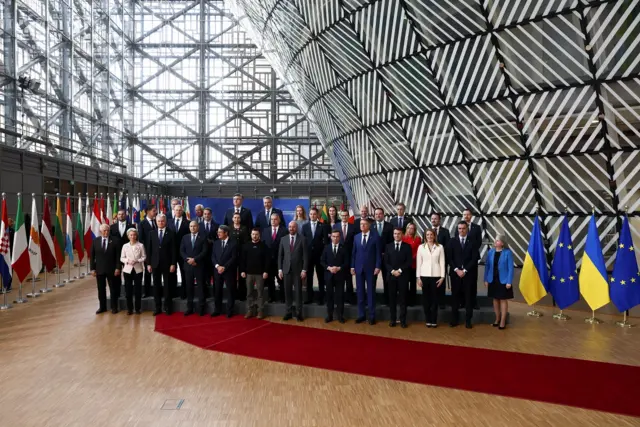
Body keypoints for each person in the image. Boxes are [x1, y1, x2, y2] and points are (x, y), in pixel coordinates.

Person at [447, 221, 480, 329]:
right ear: (457, 229)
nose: (461, 230)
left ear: (467, 229)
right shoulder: (452, 241)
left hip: (468, 274)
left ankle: (468, 321)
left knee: (468, 297)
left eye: (463, 228)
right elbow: (449, 258)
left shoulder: (473, 242)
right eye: (460, 228)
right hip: (455, 274)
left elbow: (474, 258)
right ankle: (454, 320)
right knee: (455, 297)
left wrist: (464, 270)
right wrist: (457, 270)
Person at [351, 218, 381, 325]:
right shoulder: (356, 237)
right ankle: (361, 315)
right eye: (361, 224)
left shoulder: (375, 237)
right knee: (360, 292)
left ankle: (372, 316)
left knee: (371, 292)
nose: (362, 226)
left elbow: (378, 253)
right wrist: (352, 266)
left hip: (371, 269)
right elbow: (354, 253)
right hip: (359, 268)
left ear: (369, 225)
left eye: (364, 224)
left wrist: (378, 266)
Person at [146, 214, 177, 316]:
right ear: (156, 222)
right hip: (155, 264)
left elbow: (174, 250)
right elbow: (149, 250)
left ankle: (167, 307)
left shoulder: (171, 233)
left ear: (166, 222)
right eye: (158, 221)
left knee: (167, 286)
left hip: (167, 264)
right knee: (156, 286)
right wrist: (148, 264)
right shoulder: (151, 233)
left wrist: (173, 263)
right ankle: (157, 307)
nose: (160, 223)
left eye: (162, 221)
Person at [278, 221, 308, 321]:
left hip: (298, 271)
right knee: (287, 292)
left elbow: (305, 256)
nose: (291, 228)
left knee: (298, 293)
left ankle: (299, 313)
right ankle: (288, 312)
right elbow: (280, 256)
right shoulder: (283, 239)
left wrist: (304, 269)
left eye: (293, 227)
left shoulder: (302, 239)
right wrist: (280, 269)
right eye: (290, 227)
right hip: (286, 270)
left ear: (297, 228)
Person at [453, 208, 483, 309]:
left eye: (468, 214)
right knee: (461, 282)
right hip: (460, 260)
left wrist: (470, 251)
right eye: (464, 214)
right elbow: (456, 241)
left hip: (472, 258)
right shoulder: (458, 226)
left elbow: (479, 242)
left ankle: (473, 302)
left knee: (472, 281)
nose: (466, 216)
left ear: (471, 216)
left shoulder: (477, 227)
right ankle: (462, 302)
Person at [416, 229, 446, 328]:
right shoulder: (421, 247)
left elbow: (442, 262)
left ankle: (434, 320)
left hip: (436, 276)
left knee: (435, 299)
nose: (429, 236)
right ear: (425, 236)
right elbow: (419, 263)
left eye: (431, 234)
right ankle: (428, 320)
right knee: (426, 300)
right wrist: (418, 277)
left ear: (434, 236)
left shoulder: (440, 247)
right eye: (427, 234)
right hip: (424, 276)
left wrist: (442, 277)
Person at [484, 235, 514, 330]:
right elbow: (487, 267)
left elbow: (510, 269)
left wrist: (509, 281)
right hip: (492, 279)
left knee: (503, 300)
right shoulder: (490, 252)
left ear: (502, 243)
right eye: (495, 240)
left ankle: (503, 321)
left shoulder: (507, 253)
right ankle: (497, 319)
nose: (495, 241)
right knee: (495, 299)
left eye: (497, 240)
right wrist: (486, 279)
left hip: (504, 281)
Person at [384, 228, 412, 328]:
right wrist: (392, 271)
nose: (396, 235)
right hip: (391, 277)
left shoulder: (407, 247)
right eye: (395, 233)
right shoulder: (388, 246)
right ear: (393, 234)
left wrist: (399, 271)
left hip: (403, 276)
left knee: (403, 300)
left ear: (402, 235)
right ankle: (392, 319)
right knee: (392, 300)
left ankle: (403, 320)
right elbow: (386, 262)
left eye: (399, 234)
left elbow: (409, 262)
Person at [90, 224, 121, 314]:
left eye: (107, 230)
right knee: (101, 289)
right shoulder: (95, 241)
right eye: (104, 230)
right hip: (99, 270)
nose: (106, 232)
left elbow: (118, 256)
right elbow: (92, 256)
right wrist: (92, 269)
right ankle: (102, 307)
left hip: (112, 270)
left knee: (113, 289)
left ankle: (114, 307)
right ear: (100, 232)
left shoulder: (115, 241)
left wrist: (118, 268)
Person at [180, 221, 209, 316]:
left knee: (200, 287)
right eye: (191, 226)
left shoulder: (203, 237)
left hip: (199, 265)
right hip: (188, 266)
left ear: (198, 227)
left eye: (194, 226)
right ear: (189, 227)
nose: (192, 228)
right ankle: (190, 308)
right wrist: (188, 259)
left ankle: (201, 308)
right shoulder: (185, 237)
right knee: (189, 287)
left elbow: (205, 251)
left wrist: (195, 259)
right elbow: (182, 251)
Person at [240, 228, 270, 319]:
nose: (254, 236)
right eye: (253, 234)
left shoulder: (264, 246)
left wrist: (266, 271)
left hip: (260, 274)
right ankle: (249, 310)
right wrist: (242, 271)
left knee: (260, 293)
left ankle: (260, 311)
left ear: (259, 235)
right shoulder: (246, 246)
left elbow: (267, 260)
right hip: (248, 273)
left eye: (256, 234)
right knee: (249, 293)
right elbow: (242, 260)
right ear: (251, 235)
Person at [321, 230, 349, 323]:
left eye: (337, 236)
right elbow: (322, 261)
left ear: (339, 237)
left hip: (340, 276)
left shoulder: (344, 248)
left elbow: (346, 262)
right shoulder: (326, 248)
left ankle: (340, 316)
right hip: (329, 276)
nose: (335, 238)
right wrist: (329, 268)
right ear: (331, 237)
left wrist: (339, 268)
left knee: (340, 296)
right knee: (329, 297)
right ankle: (330, 315)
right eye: (333, 236)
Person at [302, 207, 328, 304]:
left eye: (314, 214)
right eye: (311, 214)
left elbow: (325, 243)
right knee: (309, 278)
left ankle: (321, 298)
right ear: (309, 215)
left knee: (321, 277)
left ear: (317, 215)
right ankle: (309, 297)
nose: (312, 215)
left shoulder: (323, 226)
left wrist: (324, 256)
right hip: (308, 256)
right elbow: (303, 242)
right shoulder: (305, 226)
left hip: (319, 256)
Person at [211, 225, 238, 318]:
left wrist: (224, 267)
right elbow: (213, 256)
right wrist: (218, 266)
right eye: (218, 232)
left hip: (229, 271)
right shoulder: (216, 243)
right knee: (217, 291)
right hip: (217, 271)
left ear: (226, 233)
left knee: (230, 291)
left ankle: (230, 310)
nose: (218, 234)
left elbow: (234, 257)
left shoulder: (233, 243)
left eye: (220, 232)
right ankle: (217, 310)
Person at [261, 213, 287, 302]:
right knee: (270, 280)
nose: (273, 221)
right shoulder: (265, 230)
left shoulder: (284, 231)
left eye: (275, 219)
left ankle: (283, 298)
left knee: (281, 280)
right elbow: (263, 245)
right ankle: (271, 297)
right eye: (271, 219)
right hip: (269, 261)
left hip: (280, 260)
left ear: (279, 220)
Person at [120, 228, 146, 315]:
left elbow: (144, 257)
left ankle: (138, 308)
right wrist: (127, 261)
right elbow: (121, 258)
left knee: (138, 290)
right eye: (131, 235)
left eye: (134, 235)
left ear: (136, 235)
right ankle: (129, 309)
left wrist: (138, 260)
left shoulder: (141, 245)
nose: (133, 236)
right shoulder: (125, 246)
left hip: (138, 269)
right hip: (127, 270)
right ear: (128, 236)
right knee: (128, 290)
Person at [333, 210, 356, 304]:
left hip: (350, 255)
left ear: (348, 216)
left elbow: (354, 242)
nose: (344, 217)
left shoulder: (353, 227)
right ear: (341, 216)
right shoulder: (336, 226)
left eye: (346, 215)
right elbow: (333, 240)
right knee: (339, 278)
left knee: (349, 278)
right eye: (343, 215)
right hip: (339, 255)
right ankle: (339, 298)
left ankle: (350, 298)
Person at [110, 209, 133, 295]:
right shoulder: (112, 227)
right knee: (116, 274)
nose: (121, 216)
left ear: (125, 215)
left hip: (128, 255)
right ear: (117, 216)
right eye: (119, 214)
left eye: (123, 214)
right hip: (116, 254)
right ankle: (118, 293)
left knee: (128, 274)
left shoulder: (131, 226)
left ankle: (128, 293)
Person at [372, 208, 393, 305]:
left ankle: (387, 300)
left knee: (387, 279)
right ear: (374, 215)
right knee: (372, 280)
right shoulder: (371, 226)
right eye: (376, 214)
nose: (378, 216)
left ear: (383, 215)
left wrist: (386, 252)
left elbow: (392, 242)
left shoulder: (390, 226)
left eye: (380, 214)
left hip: (386, 257)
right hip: (374, 258)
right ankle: (372, 300)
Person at [169, 204, 190, 299]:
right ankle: (173, 292)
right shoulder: (169, 222)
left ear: (182, 211)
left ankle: (184, 293)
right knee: (172, 272)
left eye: (180, 210)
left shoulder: (188, 223)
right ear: (173, 210)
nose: (178, 211)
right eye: (176, 210)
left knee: (184, 272)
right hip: (171, 252)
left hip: (184, 252)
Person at [431, 212, 450, 309]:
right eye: (432, 218)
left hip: (441, 261)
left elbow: (447, 246)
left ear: (439, 220)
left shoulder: (445, 231)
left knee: (441, 281)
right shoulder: (427, 231)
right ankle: (432, 301)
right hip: (430, 262)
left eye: (435, 219)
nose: (433, 220)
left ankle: (441, 302)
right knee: (431, 281)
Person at [230, 212, 250, 301]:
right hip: (232, 254)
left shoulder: (244, 228)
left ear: (240, 219)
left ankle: (242, 294)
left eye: (238, 217)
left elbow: (246, 241)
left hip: (242, 254)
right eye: (235, 217)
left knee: (242, 274)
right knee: (232, 275)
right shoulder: (229, 228)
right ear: (232, 219)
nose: (236, 219)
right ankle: (233, 294)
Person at [198, 207, 218, 294]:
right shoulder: (198, 225)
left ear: (211, 215)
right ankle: (205, 294)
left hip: (213, 253)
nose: (206, 215)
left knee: (214, 274)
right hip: (202, 254)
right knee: (203, 275)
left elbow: (219, 239)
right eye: (205, 214)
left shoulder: (216, 225)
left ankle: (214, 293)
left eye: (208, 214)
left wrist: (213, 242)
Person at [139, 205, 157, 298]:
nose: (156, 212)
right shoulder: (142, 223)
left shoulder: (156, 222)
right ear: (148, 212)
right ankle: (146, 291)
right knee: (148, 271)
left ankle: (156, 290)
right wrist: (145, 252)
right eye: (154, 211)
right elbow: (141, 239)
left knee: (156, 271)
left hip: (157, 251)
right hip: (148, 251)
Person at [402, 222, 421, 306]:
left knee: (413, 284)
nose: (410, 230)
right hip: (405, 265)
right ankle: (405, 301)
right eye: (409, 228)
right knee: (405, 284)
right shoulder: (403, 238)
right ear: (407, 229)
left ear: (415, 230)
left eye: (412, 228)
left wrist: (412, 258)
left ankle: (413, 301)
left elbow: (419, 251)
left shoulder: (418, 239)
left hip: (414, 264)